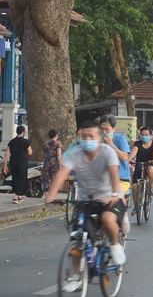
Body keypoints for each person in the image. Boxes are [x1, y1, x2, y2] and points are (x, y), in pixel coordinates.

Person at [45, 120, 126, 279]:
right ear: (80, 137)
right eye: (84, 136)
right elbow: (62, 173)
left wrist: (114, 194)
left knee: (107, 219)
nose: (88, 139)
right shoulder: (76, 153)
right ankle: (76, 277)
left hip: (110, 198)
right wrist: (51, 194)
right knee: (78, 235)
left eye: (92, 136)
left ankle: (115, 246)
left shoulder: (107, 152)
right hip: (85, 201)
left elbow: (114, 174)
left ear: (99, 137)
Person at [128, 126, 153, 215]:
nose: (144, 136)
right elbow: (134, 151)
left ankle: (151, 188)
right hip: (139, 165)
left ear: (150, 135)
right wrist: (129, 158)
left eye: (146, 134)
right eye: (142, 134)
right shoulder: (137, 143)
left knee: (151, 170)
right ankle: (136, 207)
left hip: (150, 164)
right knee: (134, 187)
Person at [3, 126, 32, 204]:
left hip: (13, 162)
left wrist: (5, 165)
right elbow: (30, 152)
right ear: (23, 132)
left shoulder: (11, 142)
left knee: (15, 178)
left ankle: (16, 194)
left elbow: (7, 153)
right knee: (22, 178)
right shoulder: (26, 142)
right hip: (22, 162)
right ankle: (19, 196)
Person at [41, 129, 63, 199]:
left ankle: (47, 196)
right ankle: (52, 196)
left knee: (46, 179)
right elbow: (59, 155)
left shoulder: (45, 144)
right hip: (54, 163)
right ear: (56, 135)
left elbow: (43, 154)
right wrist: (60, 163)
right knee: (54, 179)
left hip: (46, 163)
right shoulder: (58, 143)